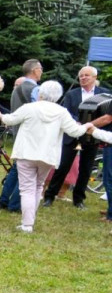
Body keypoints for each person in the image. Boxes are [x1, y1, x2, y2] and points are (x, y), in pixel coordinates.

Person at [0, 80, 112, 233]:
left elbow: (9, 120)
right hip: (47, 156)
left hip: (26, 153)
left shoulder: (29, 108)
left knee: (26, 189)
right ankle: (29, 222)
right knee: (38, 186)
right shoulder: (61, 112)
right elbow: (75, 132)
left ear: (40, 93)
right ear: (58, 96)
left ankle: (26, 224)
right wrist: (86, 126)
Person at [41, 66, 109, 209]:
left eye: (86, 75)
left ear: (94, 77)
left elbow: (106, 115)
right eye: (81, 76)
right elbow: (66, 111)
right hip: (72, 134)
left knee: (86, 169)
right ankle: (50, 196)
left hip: (92, 136)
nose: (83, 78)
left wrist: (91, 126)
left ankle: (78, 199)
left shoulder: (104, 94)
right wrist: (75, 123)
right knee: (63, 166)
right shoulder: (72, 94)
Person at [0, 59, 44, 213]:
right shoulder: (35, 90)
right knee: (28, 172)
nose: (42, 72)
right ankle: (15, 205)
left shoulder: (17, 89)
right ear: (35, 70)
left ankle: (3, 201)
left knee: (17, 169)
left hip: (18, 131)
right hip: (30, 134)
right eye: (41, 69)